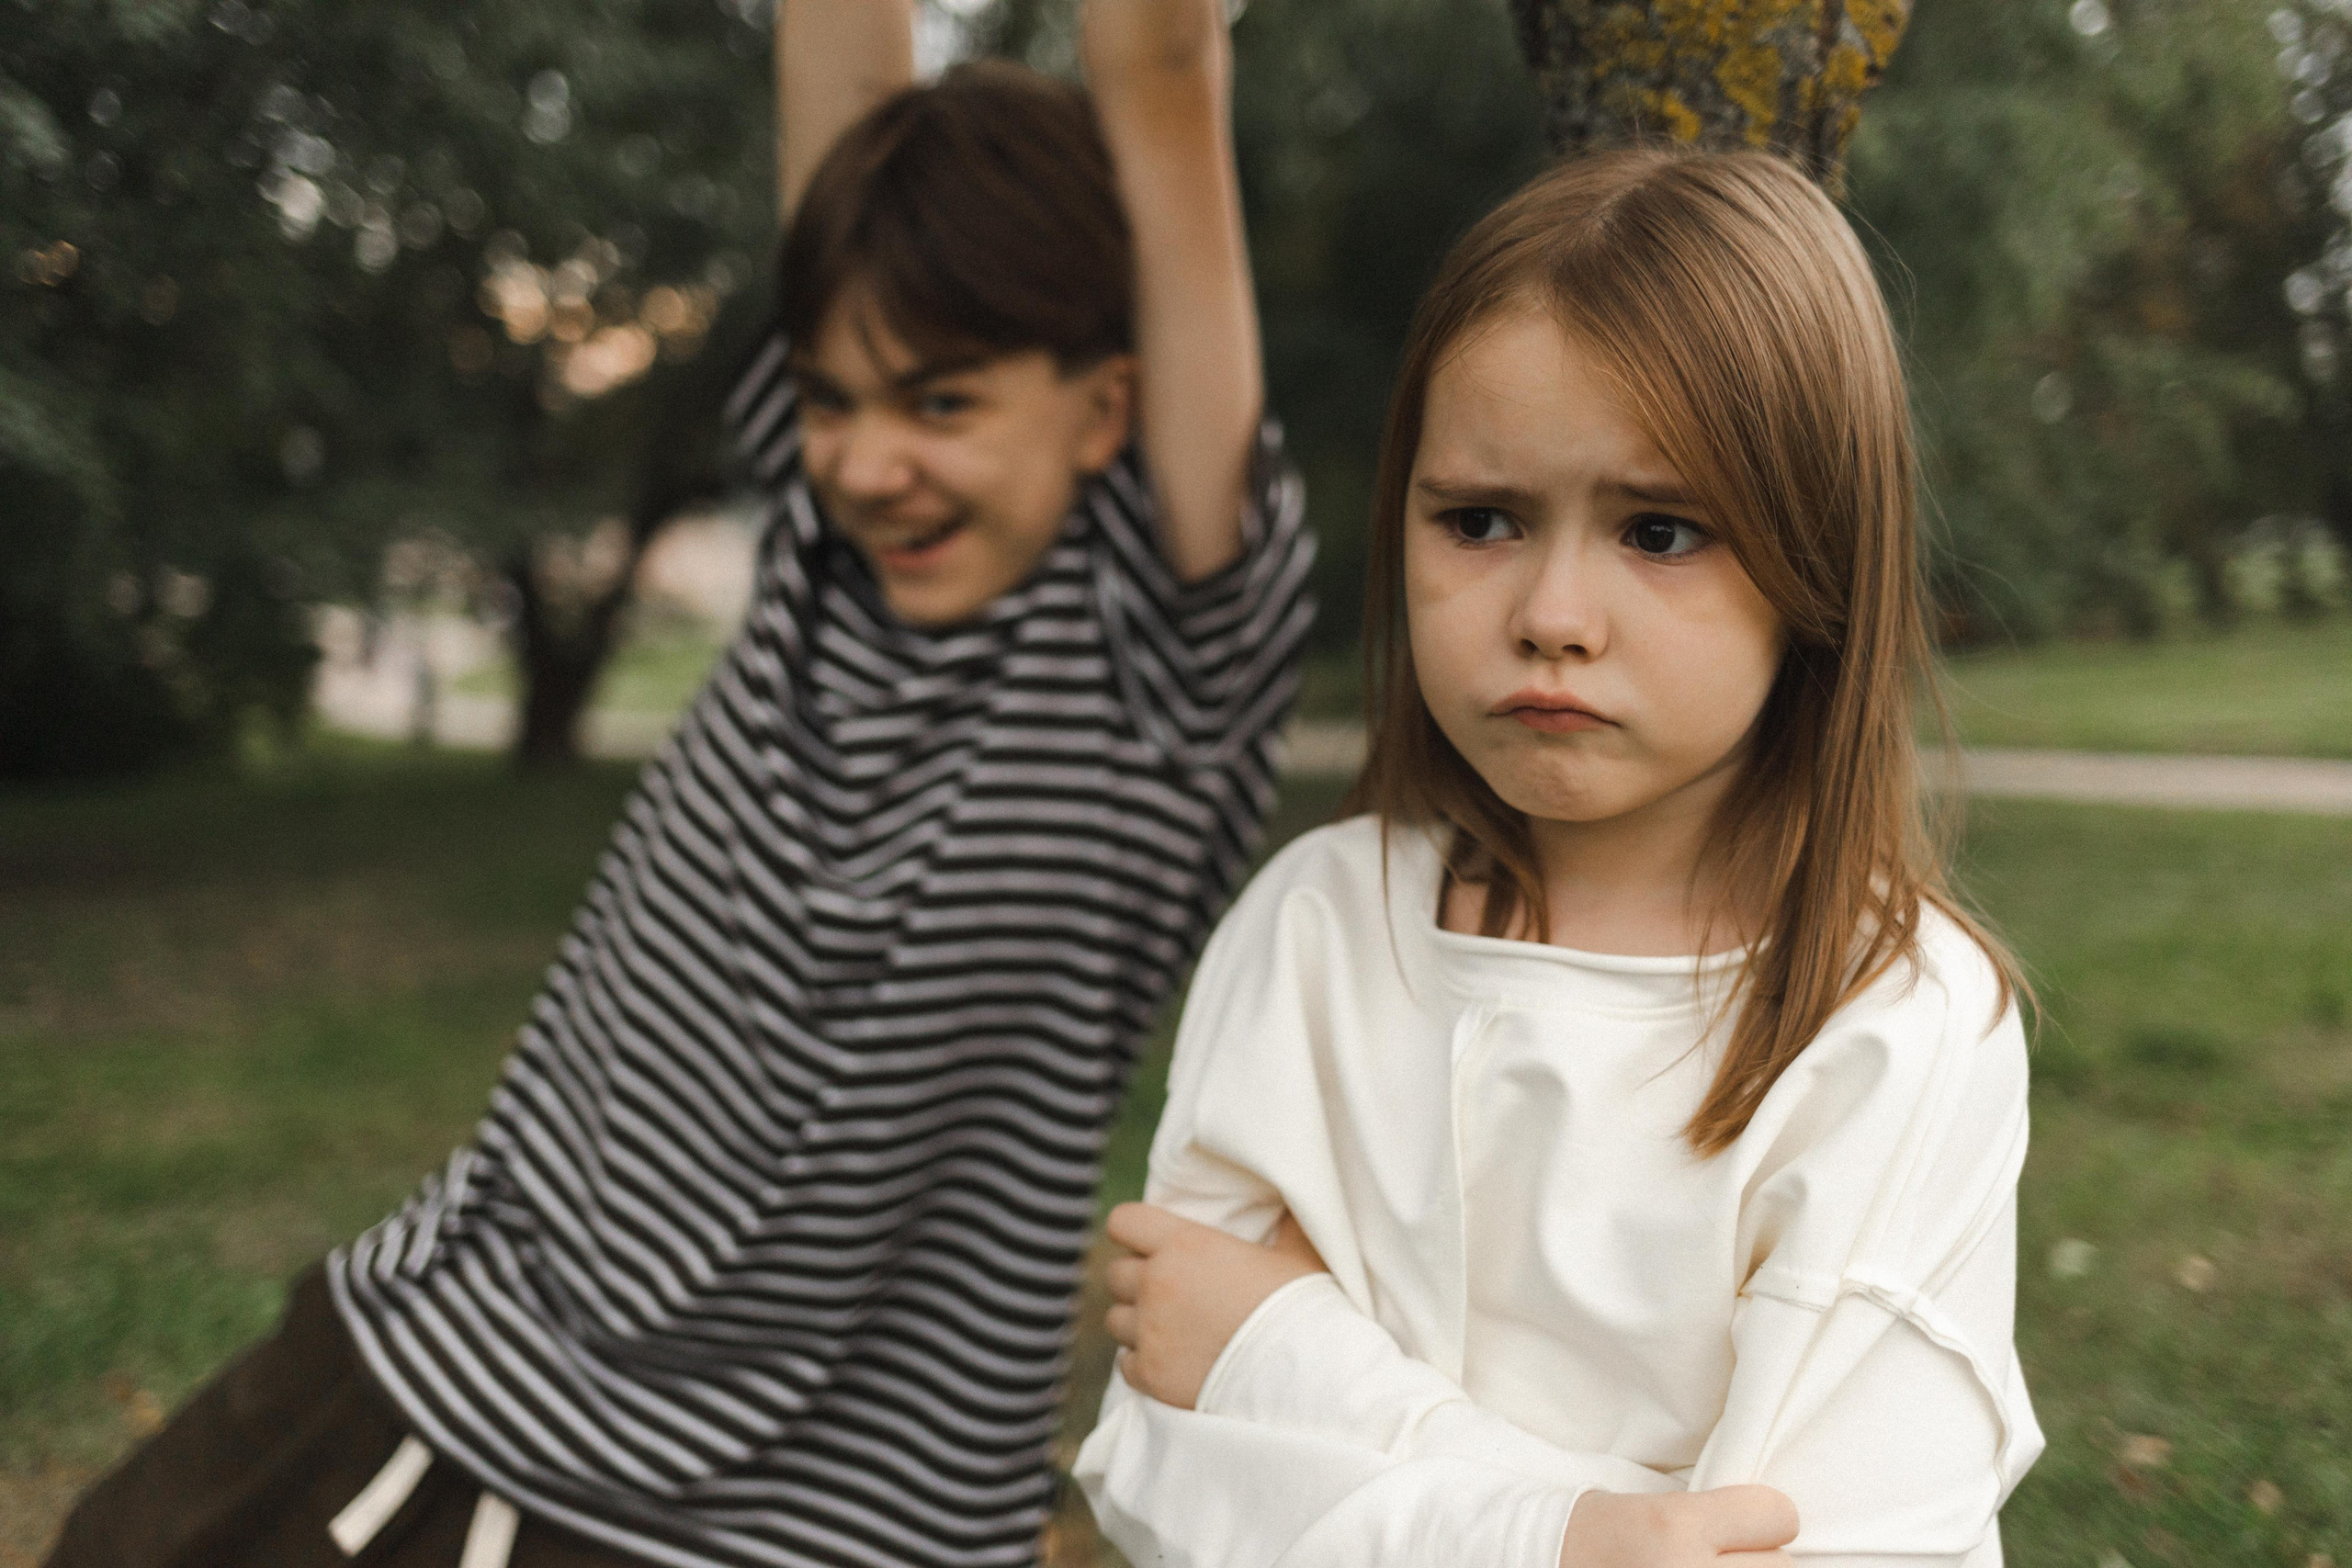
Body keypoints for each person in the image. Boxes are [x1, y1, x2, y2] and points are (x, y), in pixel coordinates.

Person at [46, 1, 1311, 1564]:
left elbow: (1164, 63)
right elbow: (835, 45)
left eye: (944, 402)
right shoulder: (821, 577)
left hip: (820, 1523)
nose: (866, 459)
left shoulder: (1163, 673)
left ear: (1107, 405)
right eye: (835, 400)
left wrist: (1164, 60)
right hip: (464, 1381)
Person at [1074, 147, 2043, 1568]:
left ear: (1818, 563)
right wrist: (1594, 1527)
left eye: (1660, 531)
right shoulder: (1318, 932)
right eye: (1480, 519)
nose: (1553, 613)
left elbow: (1829, 1553)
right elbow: (1167, 1474)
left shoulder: (1901, 1022)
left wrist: (1288, 1360)